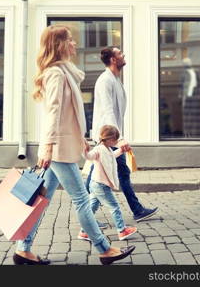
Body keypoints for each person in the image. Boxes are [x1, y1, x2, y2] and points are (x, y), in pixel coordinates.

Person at [13, 25, 135, 265]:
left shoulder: (66, 73)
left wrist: (82, 140)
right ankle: (104, 248)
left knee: (42, 199)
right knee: (81, 198)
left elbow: (69, 115)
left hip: (63, 146)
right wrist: (47, 148)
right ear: (59, 44)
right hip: (58, 149)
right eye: (70, 40)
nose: (75, 44)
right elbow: (53, 113)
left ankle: (22, 248)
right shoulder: (56, 74)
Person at [88, 46, 159, 222]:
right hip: (107, 137)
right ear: (113, 59)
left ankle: (87, 213)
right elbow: (108, 110)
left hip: (110, 137)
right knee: (98, 176)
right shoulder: (105, 80)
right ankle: (87, 214)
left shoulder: (115, 80)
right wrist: (117, 138)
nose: (123, 55)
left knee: (105, 173)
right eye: (119, 53)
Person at [78, 125, 138, 242]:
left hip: (96, 184)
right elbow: (89, 156)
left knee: (91, 208)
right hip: (100, 184)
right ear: (110, 139)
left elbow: (111, 157)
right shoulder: (99, 149)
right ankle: (122, 230)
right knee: (114, 207)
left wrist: (121, 150)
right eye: (116, 140)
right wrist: (84, 149)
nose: (117, 142)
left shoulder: (108, 149)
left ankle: (84, 231)